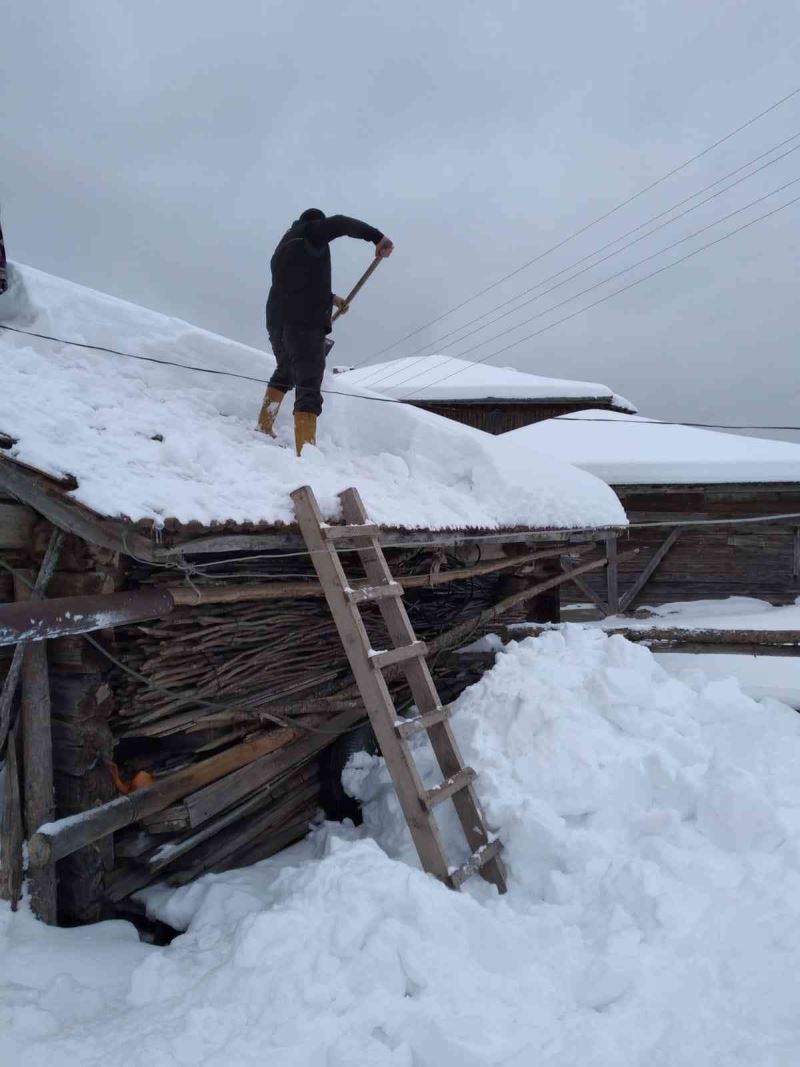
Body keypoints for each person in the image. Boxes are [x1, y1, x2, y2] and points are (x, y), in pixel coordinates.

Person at [260, 208, 393, 454]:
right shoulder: (312, 230)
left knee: (286, 370)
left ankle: (263, 425)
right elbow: (341, 223)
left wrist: (331, 299)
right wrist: (377, 237)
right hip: (303, 322)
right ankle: (306, 451)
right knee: (309, 382)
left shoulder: (285, 245)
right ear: (317, 222)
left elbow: (296, 283)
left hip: (277, 319)